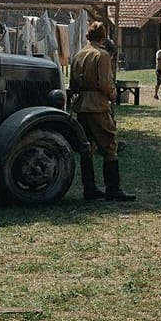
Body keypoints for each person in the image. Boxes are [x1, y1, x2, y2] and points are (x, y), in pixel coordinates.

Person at [69, 21, 135, 201]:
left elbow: (72, 84)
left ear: (87, 37)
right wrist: (113, 95)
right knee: (110, 145)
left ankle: (89, 187)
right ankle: (113, 188)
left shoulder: (78, 54)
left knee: (87, 147)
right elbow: (104, 83)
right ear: (103, 38)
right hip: (97, 105)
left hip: (81, 105)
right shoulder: (102, 55)